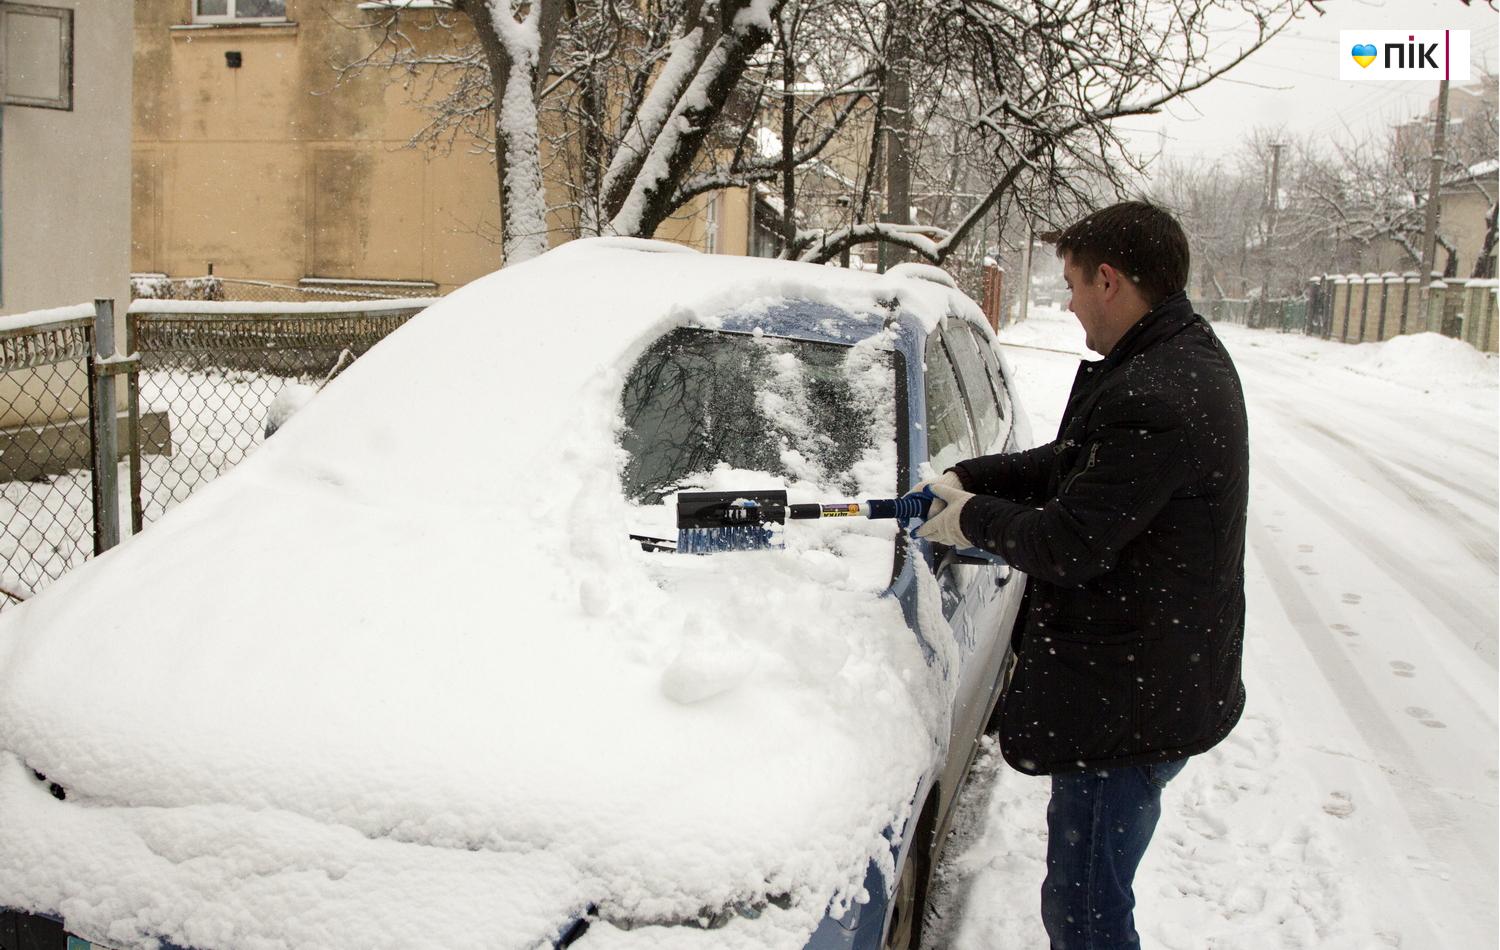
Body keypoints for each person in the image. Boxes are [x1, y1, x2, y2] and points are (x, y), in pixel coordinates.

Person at [915, 200, 1248, 949]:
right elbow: (1076, 462)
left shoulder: (1157, 395)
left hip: (1130, 708)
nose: (1067, 304)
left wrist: (968, 520)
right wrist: (973, 477)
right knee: (1087, 897)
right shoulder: (1171, 357)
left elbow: (1068, 542)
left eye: (1070, 284)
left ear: (1108, 280)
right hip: (1147, 682)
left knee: (1086, 911)